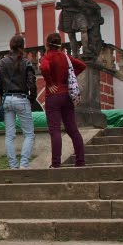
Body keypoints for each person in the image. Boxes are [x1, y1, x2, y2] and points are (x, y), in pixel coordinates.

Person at [39, 32, 86, 168]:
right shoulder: (65, 57)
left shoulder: (47, 57)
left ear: (47, 44)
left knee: (55, 130)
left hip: (53, 96)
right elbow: (82, 65)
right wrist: (70, 77)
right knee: (73, 129)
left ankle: (56, 163)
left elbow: (44, 68)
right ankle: (80, 161)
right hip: (67, 95)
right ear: (59, 44)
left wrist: (50, 82)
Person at [0, 34, 36, 169]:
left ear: (10, 46)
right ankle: (24, 164)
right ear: (22, 46)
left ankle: (13, 166)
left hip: (7, 99)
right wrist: (32, 98)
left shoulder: (2, 62)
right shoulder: (26, 62)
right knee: (29, 134)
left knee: (9, 135)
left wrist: (2, 96)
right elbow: (32, 83)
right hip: (22, 98)